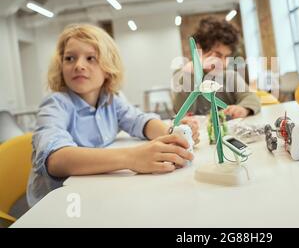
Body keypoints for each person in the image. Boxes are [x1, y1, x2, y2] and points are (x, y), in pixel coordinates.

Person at [27, 24, 198, 206]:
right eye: (70, 58)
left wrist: (173, 134)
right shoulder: (55, 104)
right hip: (60, 205)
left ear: (108, 67)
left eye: (90, 58)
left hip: (95, 193)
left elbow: (140, 122)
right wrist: (131, 158)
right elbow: (56, 160)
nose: (79, 65)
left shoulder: (111, 100)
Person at [172, 17, 261, 119]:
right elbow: (180, 112)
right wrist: (190, 73)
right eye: (218, 55)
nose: (223, 63)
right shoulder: (182, 75)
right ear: (199, 49)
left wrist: (244, 109)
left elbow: (251, 97)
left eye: (226, 57)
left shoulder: (230, 76)